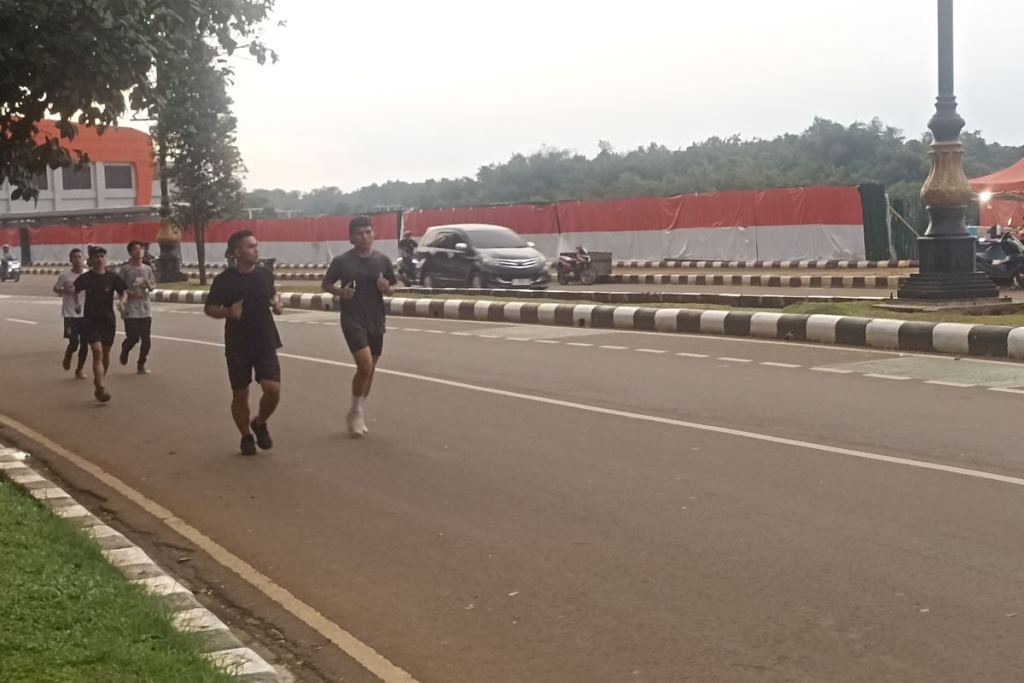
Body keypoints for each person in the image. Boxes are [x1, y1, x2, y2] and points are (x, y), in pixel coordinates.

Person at [204, 230, 284, 456]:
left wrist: (277, 305)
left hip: (265, 340)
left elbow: (274, 297)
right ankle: (245, 436)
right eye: (250, 246)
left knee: (273, 389)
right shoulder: (224, 280)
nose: (256, 250)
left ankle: (260, 422)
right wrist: (228, 312)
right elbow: (209, 308)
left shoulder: (265, 274)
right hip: (238, 344)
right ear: (237, 252)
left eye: (256, 245)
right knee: (240, 394)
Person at [321, 216, 396, 437]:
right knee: (364, 366)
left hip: (376, 319)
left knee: (370, 369)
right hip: (352, 319)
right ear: (351, 238)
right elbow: (326, 284)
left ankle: (358, 411)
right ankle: (355, 412)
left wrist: (386, 288)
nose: (364, 237)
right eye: (359, 233)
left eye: (368, 232)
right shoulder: (342, 261)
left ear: (373, 234)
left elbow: (392, 286)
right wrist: (340, 292)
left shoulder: (382, 260)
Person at [74, 246, 127, 403]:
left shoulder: (112, 277)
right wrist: (77, 304)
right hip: (91, 320)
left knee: (105, 353)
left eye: (102, 256)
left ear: (105, 259)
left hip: (108, 320)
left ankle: (99, 382)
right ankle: (102, 387)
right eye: (96, 256)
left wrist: (122, 302)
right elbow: (76, 291)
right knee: (97, 352)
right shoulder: (86, 278)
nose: (99, 259)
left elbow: (123, 291)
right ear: (91, 260)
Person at [119, 240, 156, 374]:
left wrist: (148, 285)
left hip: (145, 308)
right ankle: (125, 349)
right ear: (130, 253)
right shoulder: (125, 270)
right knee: (133, 337)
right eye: (135, 249)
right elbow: (119, 288)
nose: (139, 251)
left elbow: (153, 286)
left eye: (141, 248)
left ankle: (141, 364)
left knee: (146, 340)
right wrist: (131, 293)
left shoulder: (147, 269)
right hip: (130, 308)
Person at [52, 248, 89, 379]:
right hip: (70, 314)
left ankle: (79, 369)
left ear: (83, 259)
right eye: (75, 257)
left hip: (86, 314)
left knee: (85, 343)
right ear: (70, 260)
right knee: (74, 342)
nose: (78, 260)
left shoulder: (88, 275)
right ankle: (69, 354)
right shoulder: (65, 276)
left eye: (80, 257)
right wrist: (64, 290)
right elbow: (56, 288)